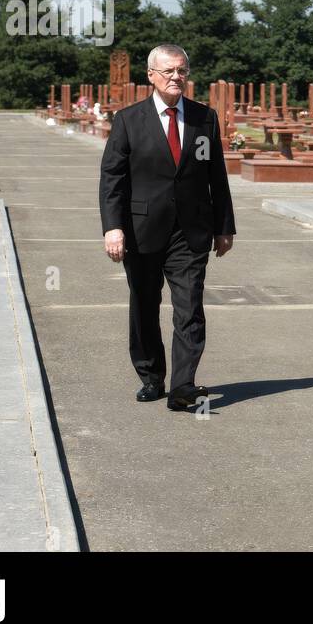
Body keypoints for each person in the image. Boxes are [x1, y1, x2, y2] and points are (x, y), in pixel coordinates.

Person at [99, 44, 235, 411]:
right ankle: (151, 376)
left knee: (189, 307)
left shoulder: (203, 118)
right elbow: (112, 178)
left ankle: (183, 386)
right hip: (141, 230)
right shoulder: (129, 120)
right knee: (144, 305)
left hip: (190, 230)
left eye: (182, 71)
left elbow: (215, 174)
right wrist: (113, 227)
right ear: (151, 76)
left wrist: (224, 226)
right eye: (169, 71)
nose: (177, 77)